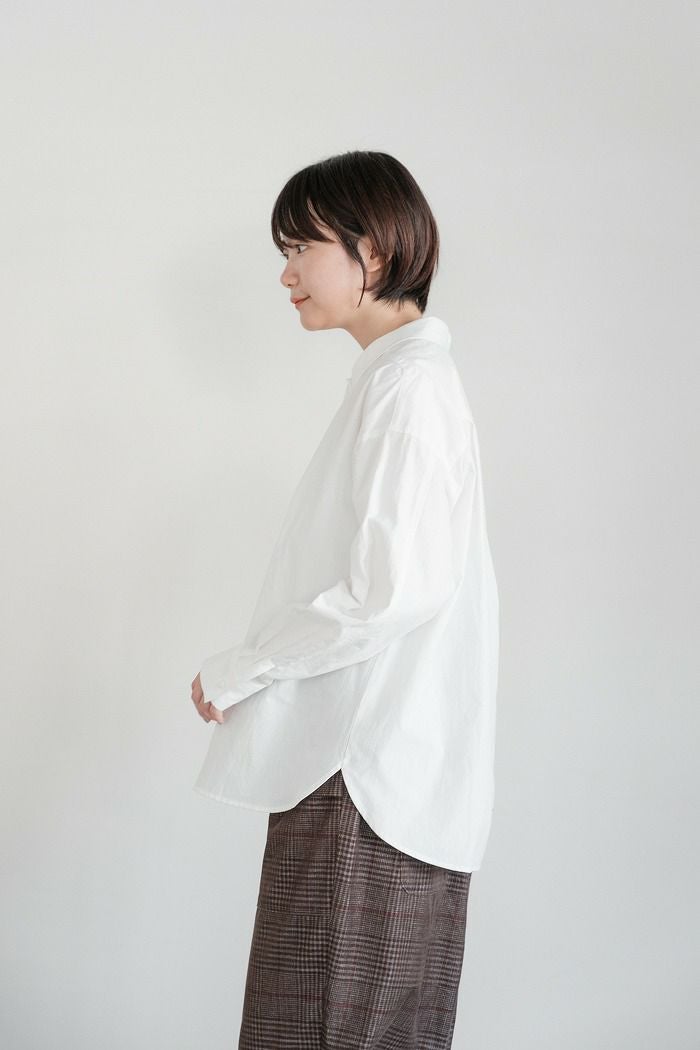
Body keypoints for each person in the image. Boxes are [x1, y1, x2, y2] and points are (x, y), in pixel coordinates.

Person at [190, 149, 499, 1049]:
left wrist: (244, 669)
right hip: (380, 781)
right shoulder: (402, 384)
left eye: (303, 247)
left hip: (362, 785)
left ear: (376, 251)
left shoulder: (409, 390)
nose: (285, 273)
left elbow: (388, 591)